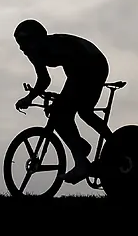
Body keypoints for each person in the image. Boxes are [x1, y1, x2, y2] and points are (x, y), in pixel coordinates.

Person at [13, 18, 114, 183]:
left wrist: (61, 98)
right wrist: (30, 97)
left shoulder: (52, 45)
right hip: (88, 64)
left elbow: (75, 72)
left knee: (62, 112)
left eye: (24, 42)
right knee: (83, 111)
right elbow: (44, 79)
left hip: (90, 63)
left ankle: (83, 162)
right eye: (19, 43)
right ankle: (107, 145)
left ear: (37, 39)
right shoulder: (34, 52)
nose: (21, 48)